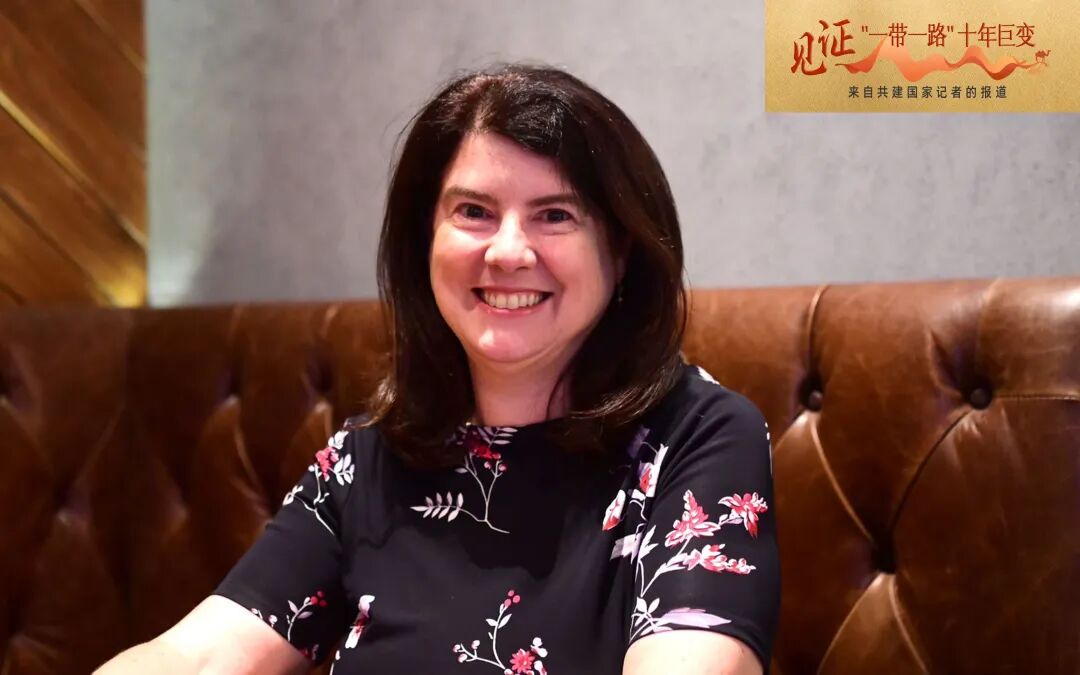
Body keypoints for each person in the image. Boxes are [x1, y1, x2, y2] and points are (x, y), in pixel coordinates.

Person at [96, 63, 779, 675]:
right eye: (474, 212)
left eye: (554, 215)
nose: (507, 252)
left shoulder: (698, 437)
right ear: (425, 238)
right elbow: (200, 653)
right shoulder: (368, 460)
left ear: (620, 250)